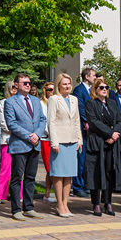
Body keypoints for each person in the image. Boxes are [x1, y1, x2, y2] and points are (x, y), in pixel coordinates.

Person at [4, 73, 47, 220]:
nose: (28, 85)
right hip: (20, 145)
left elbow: (42, 119)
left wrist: (37, 134)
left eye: (29, 82)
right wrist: (29, 136)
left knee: (30, 177)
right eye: (24, 83)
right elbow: (12, 124)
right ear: (16, 85)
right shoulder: (10, 102)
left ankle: (29, 207)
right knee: (17, 178)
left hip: (35, 145)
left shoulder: (35, 101)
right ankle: (16, 209)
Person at [84, 78, 121, 216]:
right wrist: (110, 133)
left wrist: (115, 134)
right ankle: (96, 203)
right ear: (95, 90)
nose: (105, 89)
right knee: (96, 172)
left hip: (112, 144)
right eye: (101, 87)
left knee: (109, 172)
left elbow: (119, 119)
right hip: (98, 142)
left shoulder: (112, 103)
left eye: (106, 87)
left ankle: (108, 202)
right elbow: (93, 122)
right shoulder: (91, 104)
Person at [47, 73, 82, 217]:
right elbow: (51, 122)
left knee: (69, 175)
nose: (67, 86)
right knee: (59, 174)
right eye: (64, 84)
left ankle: (66, 203)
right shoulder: (54, 99)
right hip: (59, 142)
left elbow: (77, 121)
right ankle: (59, 205)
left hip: (72, 141)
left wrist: (79, 140)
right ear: (58, 86)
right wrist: (54, 142)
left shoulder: (74, 99)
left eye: (69, 83)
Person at [0, 81, 20, 205]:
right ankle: (0, 195)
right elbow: (3, 122)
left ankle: (18, 195)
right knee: (5, 168)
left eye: (16, 88)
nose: (15, 90)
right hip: (8, 139)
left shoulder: (21, 101)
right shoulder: (3, 102)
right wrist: (16, 130)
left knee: (19, 169)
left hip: (20, 139)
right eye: (13, 88)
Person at [71, 67, 96, 197]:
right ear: (86, 76)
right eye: (93, 75)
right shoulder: (79, 90)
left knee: (87, 160)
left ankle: (85, 184)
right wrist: (88, 122)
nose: (95, 78)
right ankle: (77, 186)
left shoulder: (92, 91)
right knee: (80, 159)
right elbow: (80, 108)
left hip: (91, 131)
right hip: (82, 129)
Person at [39, 81, 56, 205]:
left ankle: (47, 193)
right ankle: (48, 193)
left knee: (55, 168)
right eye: (49, 90)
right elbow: (43, 122)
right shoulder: (41, 104)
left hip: (58, 139)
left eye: (53, 90)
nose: (52, 92)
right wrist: (52, 133)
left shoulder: (56, 101)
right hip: (47, 138)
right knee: (50, 168)